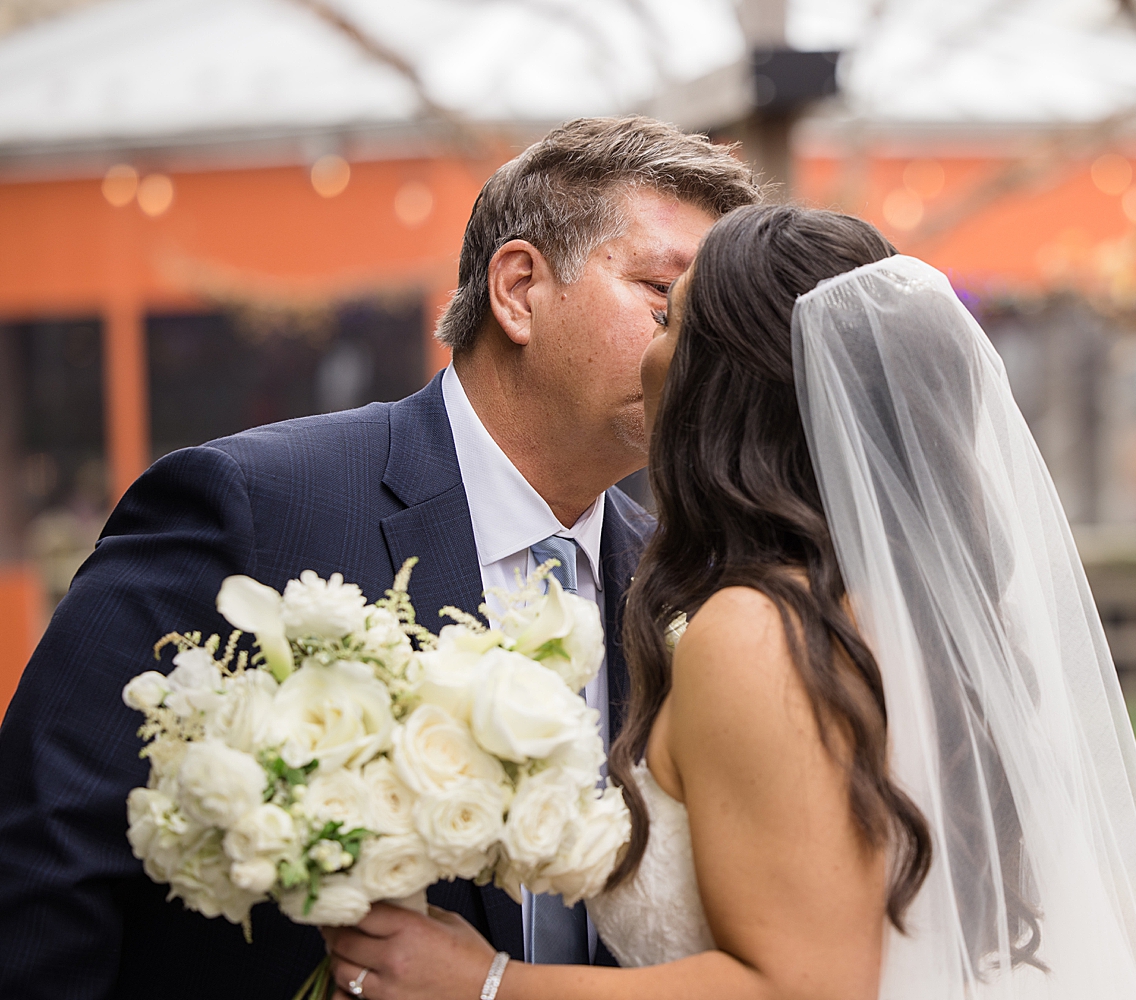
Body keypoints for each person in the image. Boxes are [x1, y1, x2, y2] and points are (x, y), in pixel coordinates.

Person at [319, 205, 1136, 999]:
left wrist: (487, 986)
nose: (649, 351)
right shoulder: (893, 617)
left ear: (729, 383)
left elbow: (803, 988)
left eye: (670, 320)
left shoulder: (756, 629)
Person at [0, 116, 759, 1000]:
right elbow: (46, 860)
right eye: (664, 300)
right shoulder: (253, 509)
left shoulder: (683, 581)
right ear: (518, 290)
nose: (697, 354)